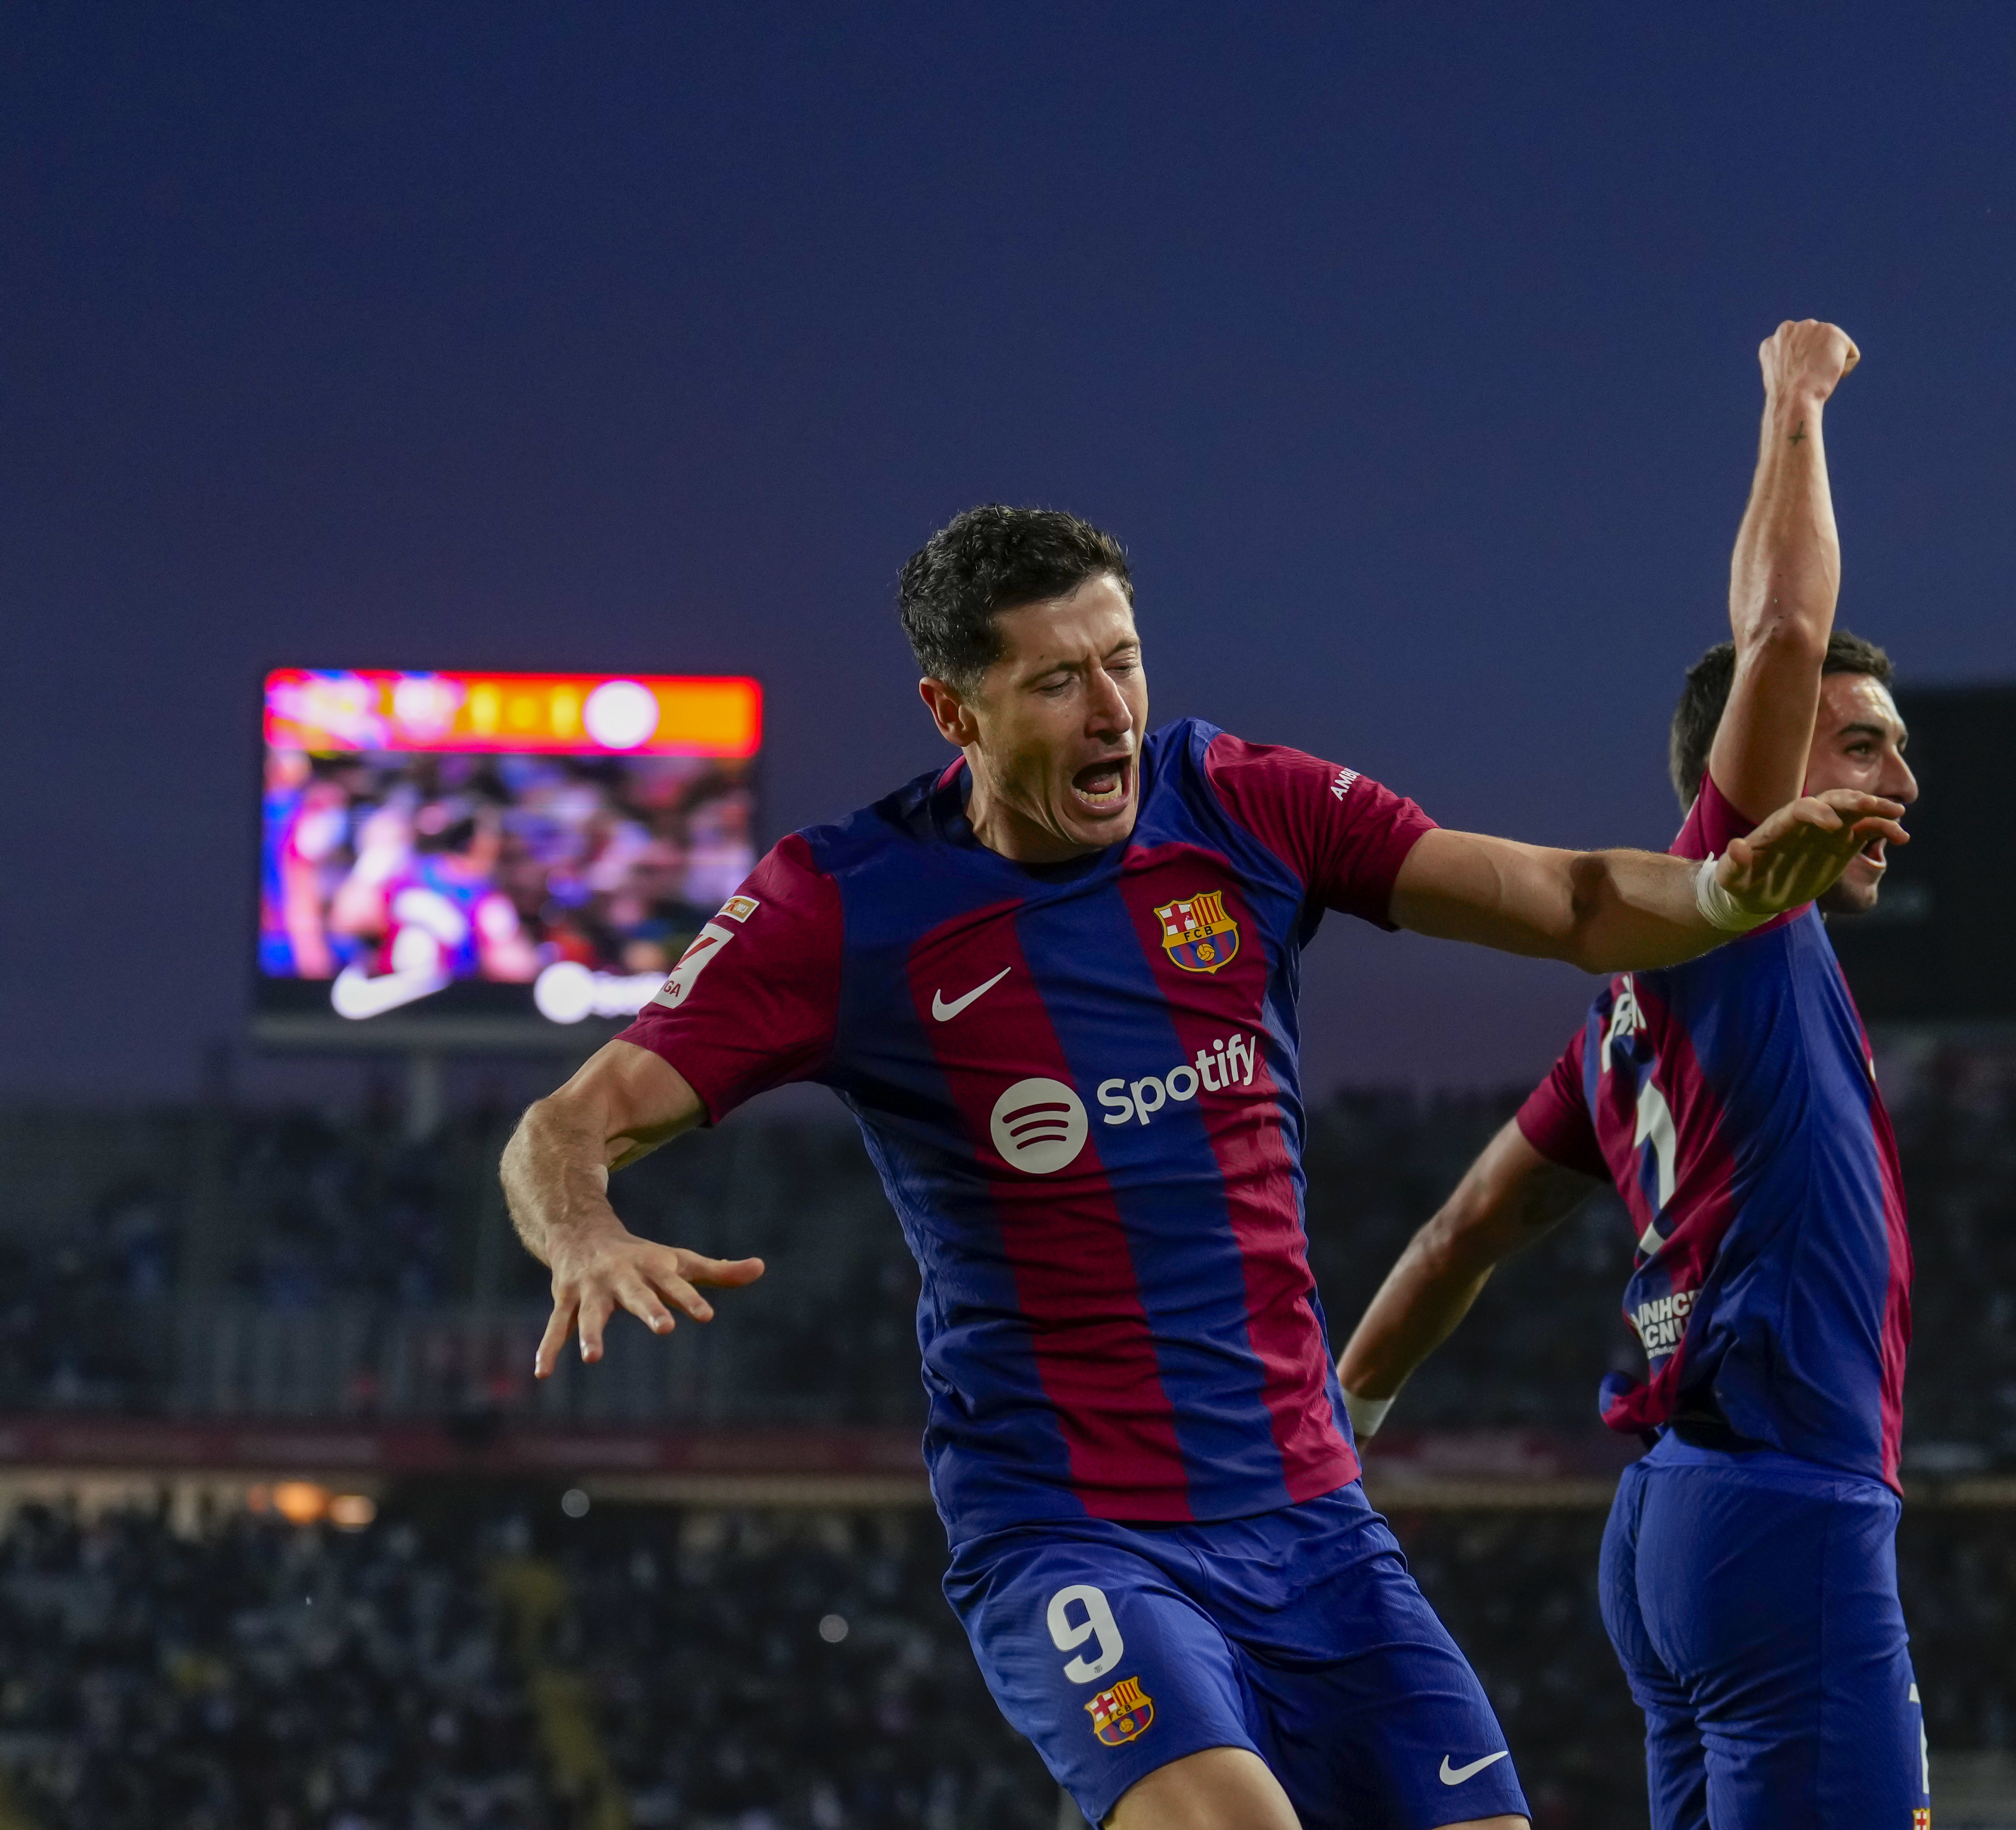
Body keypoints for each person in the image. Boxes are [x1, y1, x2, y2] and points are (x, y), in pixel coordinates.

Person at [498, 502, 1902, 1830]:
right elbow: (569, 1122)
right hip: (1075, 1531)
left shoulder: (1239, 804)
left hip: (1310, 1518)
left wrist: (1722, 893)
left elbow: (1573, 898)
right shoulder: (843, 906)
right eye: (1057, 683)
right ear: (954, 712)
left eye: (1123, 662)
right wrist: (583, 1230)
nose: (1113, 711)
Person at [1336, 322, 1930, 1829]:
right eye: (1862, 747)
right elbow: (1784, 637)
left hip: (1673, 1523)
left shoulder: (1626, 1018)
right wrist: (1794, 400)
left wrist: (1339, 1432)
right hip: (1782, 1507)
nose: (1901, 783)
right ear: (1766, 767)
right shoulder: (1730, 920)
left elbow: (1459, 1231)